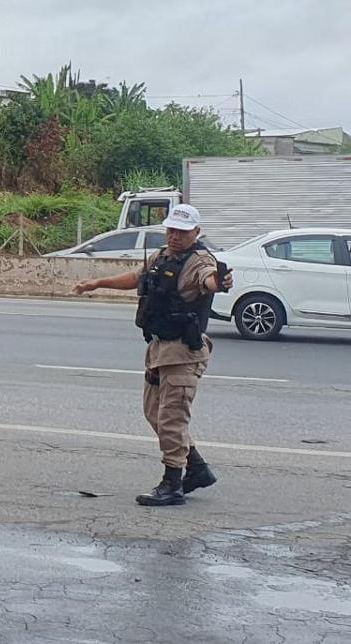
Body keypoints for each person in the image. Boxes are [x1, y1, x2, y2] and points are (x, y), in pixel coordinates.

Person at [72, 204, 233, 506]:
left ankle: (172, 483)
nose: (174, 236)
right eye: (171, 230)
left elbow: (210, 280)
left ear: (196, 233)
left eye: (182, 232)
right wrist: (96, 283)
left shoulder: (199, 262)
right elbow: (136, 277)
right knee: (154, 413)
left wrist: (220, 282)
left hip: (183, 353)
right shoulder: (161, 257)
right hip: (159, 349)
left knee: (172, 419)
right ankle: (196, 468)